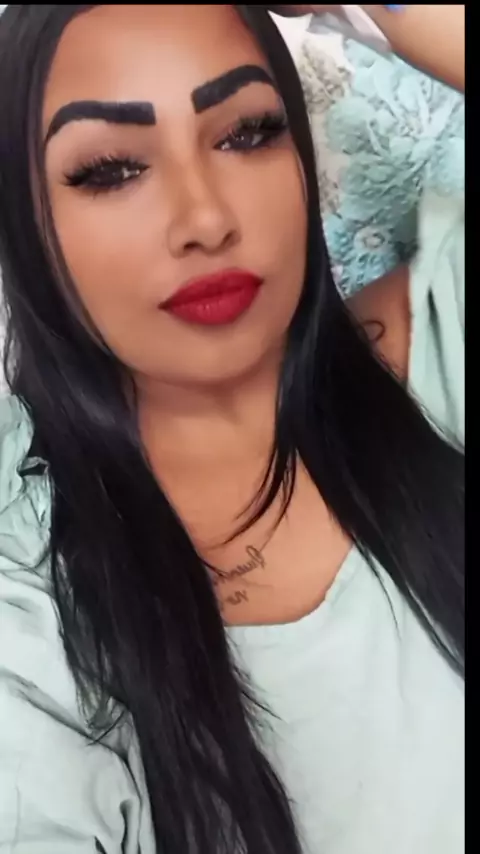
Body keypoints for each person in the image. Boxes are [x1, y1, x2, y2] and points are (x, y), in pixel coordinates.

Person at [0, 5, 464, 854]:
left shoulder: (441, 348)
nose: (206, 218)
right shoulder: (27, 597)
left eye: (248, 133)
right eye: (109, 169)